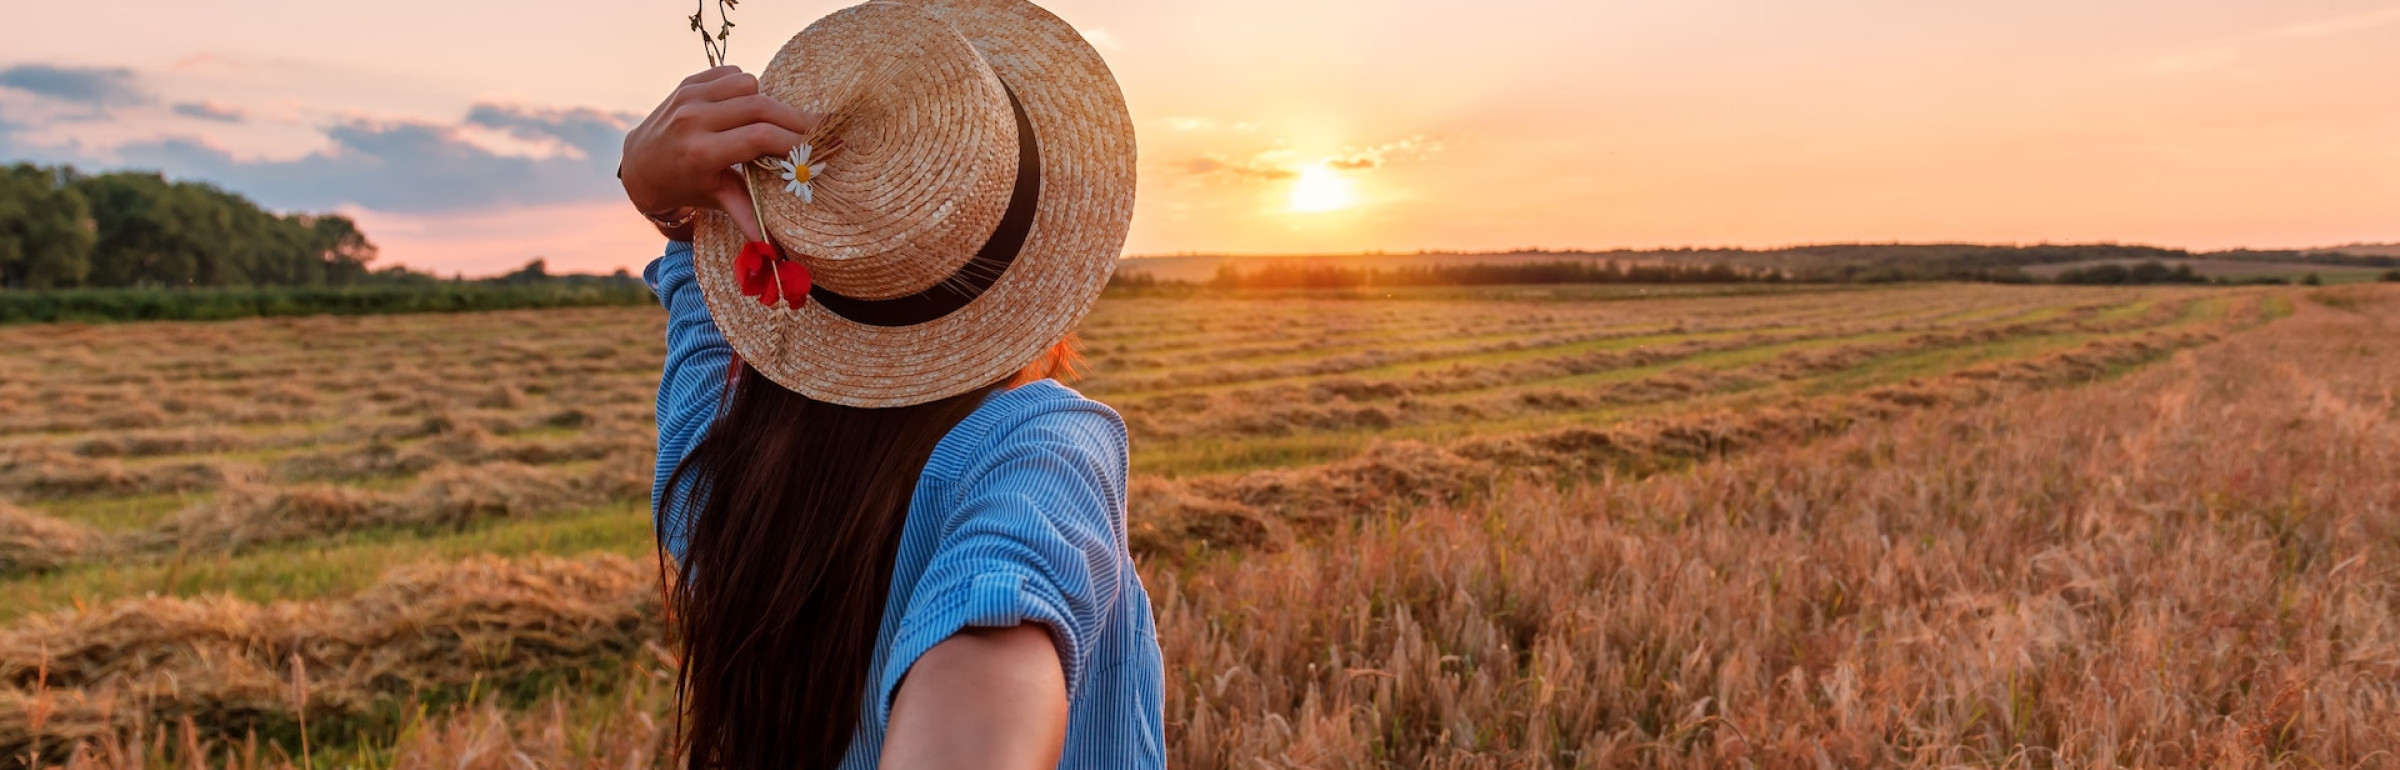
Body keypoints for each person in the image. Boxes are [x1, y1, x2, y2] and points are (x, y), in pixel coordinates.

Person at [613, 1, 1161, 768]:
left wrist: (666, 208)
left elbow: (700, 314)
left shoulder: (721, 481)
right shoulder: (1038, 444)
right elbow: (994, 633)